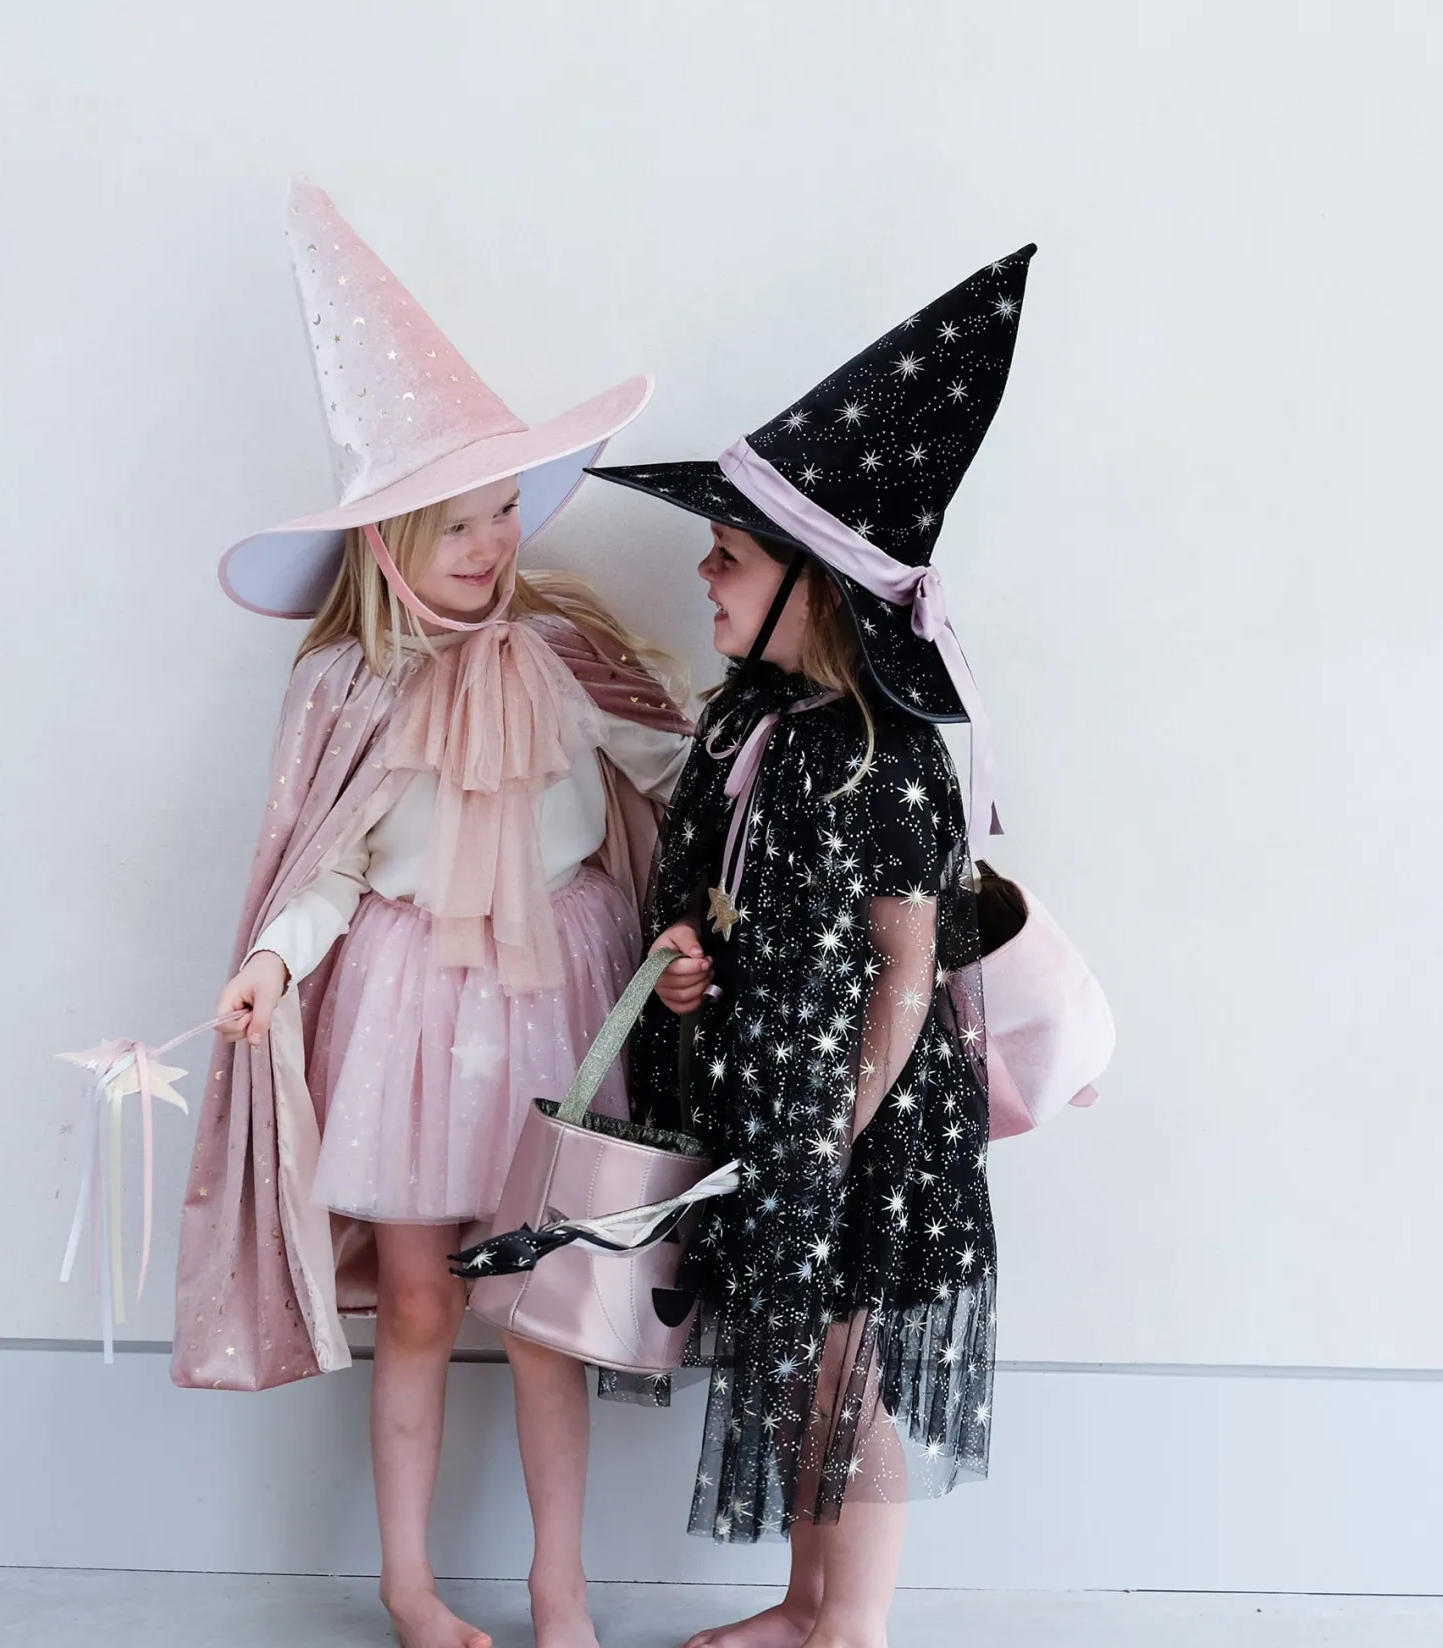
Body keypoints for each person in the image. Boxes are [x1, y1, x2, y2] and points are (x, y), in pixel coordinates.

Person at [172, 178, 691, 1648]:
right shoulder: (349, 688)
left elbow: (681, 778)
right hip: (409, 1012)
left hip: (563, 999)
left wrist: (730, 882)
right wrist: (273, 965)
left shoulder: (568, 651)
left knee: (545, 1313)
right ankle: (408, 1582)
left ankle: (559, 1586)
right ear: (386, 542)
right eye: (452, 523)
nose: (487, 543)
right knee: (417, 1302)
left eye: (501, 512)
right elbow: (326, 866)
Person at [586, 246, 1037, 1648]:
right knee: (791, 1359)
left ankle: (858, 1625)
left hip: (855, 1121)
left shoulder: (882, 755)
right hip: (763, 1095)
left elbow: (907, 967)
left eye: (729, 556)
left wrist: (831, 1134)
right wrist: (686, 962)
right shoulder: (744, 724)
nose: (703, 572)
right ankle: (801, 1603)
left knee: (843, 1371)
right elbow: (709, 889)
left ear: (816, 588)